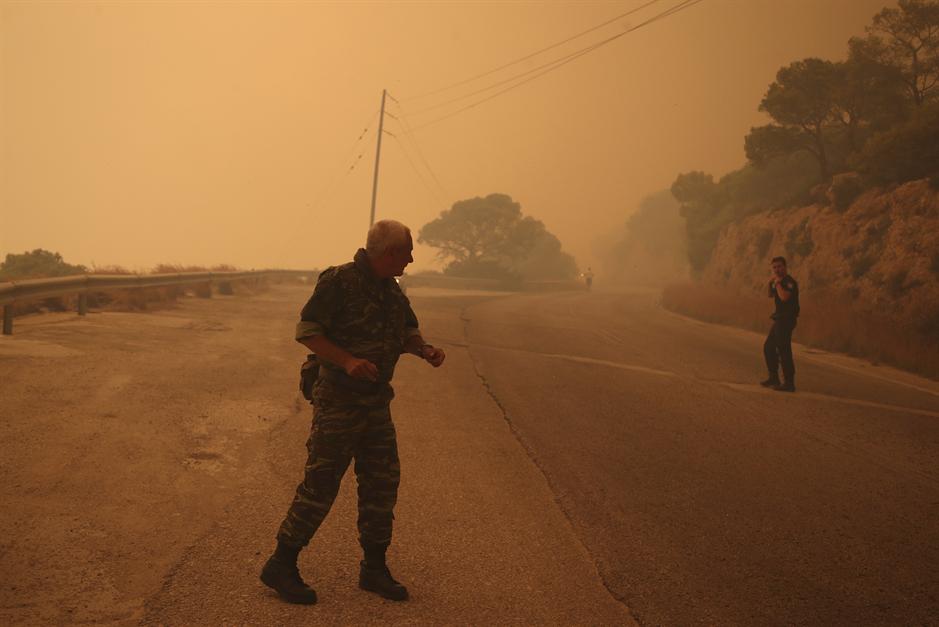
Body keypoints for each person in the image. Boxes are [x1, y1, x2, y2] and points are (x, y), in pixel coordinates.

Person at [260, 219, 446, 605]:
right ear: (390, 252)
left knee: (381, 485)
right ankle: (281, 563)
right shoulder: (338, 282)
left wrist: (423, 349)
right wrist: (346, 361)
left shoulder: (391, 291)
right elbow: (307, 331)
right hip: (339, 403)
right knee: (321, 486)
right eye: (407, 252)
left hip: (376, 405)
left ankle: (374, 569)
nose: (411, 260)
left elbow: (407, 330)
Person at [761, 256, 799, 392]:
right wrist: (770, 283)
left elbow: (784, 297)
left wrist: (777, 283)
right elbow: (770, 295)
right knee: (768, 347)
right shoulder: (777, 281)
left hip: (787, 320)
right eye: (774, 267)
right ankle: (773, 377)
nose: (777, 269)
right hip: (779, 319)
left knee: (784, 349)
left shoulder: (789, 282)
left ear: (785, 267)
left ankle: (789, 383)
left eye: (779, 266)